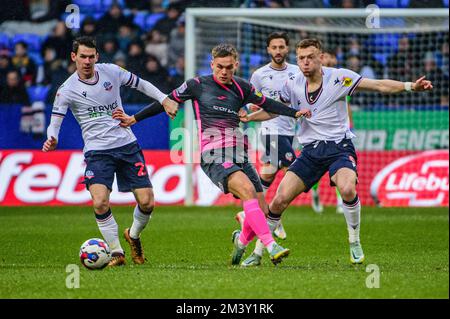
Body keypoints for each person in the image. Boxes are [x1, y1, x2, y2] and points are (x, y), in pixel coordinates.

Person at [113, 43, 311, 266]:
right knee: (247, 191)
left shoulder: (243, 88)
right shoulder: (197, 85)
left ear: (236, 65)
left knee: (263, 211)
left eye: (229, 67)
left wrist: (294, 113)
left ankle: (241, 240)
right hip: (213, 153)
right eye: (219, 67)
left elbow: (268, 104)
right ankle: (271, 245)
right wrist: (134, 119)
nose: (224, 72)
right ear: (212, 65)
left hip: (239, 153)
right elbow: (166, 101)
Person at [240, 38, 432, 264]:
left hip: (339, 147)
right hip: (311, 150)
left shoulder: (340, 77)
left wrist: (410, 86)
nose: (305, 62)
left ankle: (354, 242)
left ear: (320, 58)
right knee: (279, 200)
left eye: (310, 57)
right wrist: (251, 117)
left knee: (347, 188)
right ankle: (258, 253)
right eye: (301, 58)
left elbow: (378, 85)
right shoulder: (292, 83)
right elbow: (275, 112)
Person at [42, 36, 178, 267]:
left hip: (126, 145)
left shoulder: (111, 71)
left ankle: (133, 236)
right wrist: (51, 137)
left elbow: (141, 83)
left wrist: (164, 99)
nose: (87, 61)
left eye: (91, 56)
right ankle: (117, 253)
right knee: (100, 202)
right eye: (82, 56)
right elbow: (55, 120)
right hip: (97, 151)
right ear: (73, 57)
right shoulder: (66, 89)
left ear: (97, 56)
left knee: (147, 202)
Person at [234, 31, 299, 267]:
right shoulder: (260, 74)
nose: (278, 51)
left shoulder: (296, 71)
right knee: (295, 167)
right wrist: (245, 113)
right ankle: (273, 214)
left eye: (282, 47)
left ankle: (249, 217)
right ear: (268, 50)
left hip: (290, 129)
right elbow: (249, 99)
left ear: (287, 49)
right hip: (270, 129)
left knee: (270, 173)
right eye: (274, 47)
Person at [310, 46, 347, 214]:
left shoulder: (340, 78)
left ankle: (340, 200)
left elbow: (346, 102)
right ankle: (315, 192)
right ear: (321, 58)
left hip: (335, 132)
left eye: (334, 57)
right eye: (328, 57)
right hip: (313, 131)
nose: (332, 61)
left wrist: (349, 122)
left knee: (338, 166)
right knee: (313, 169)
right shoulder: (309, 79)